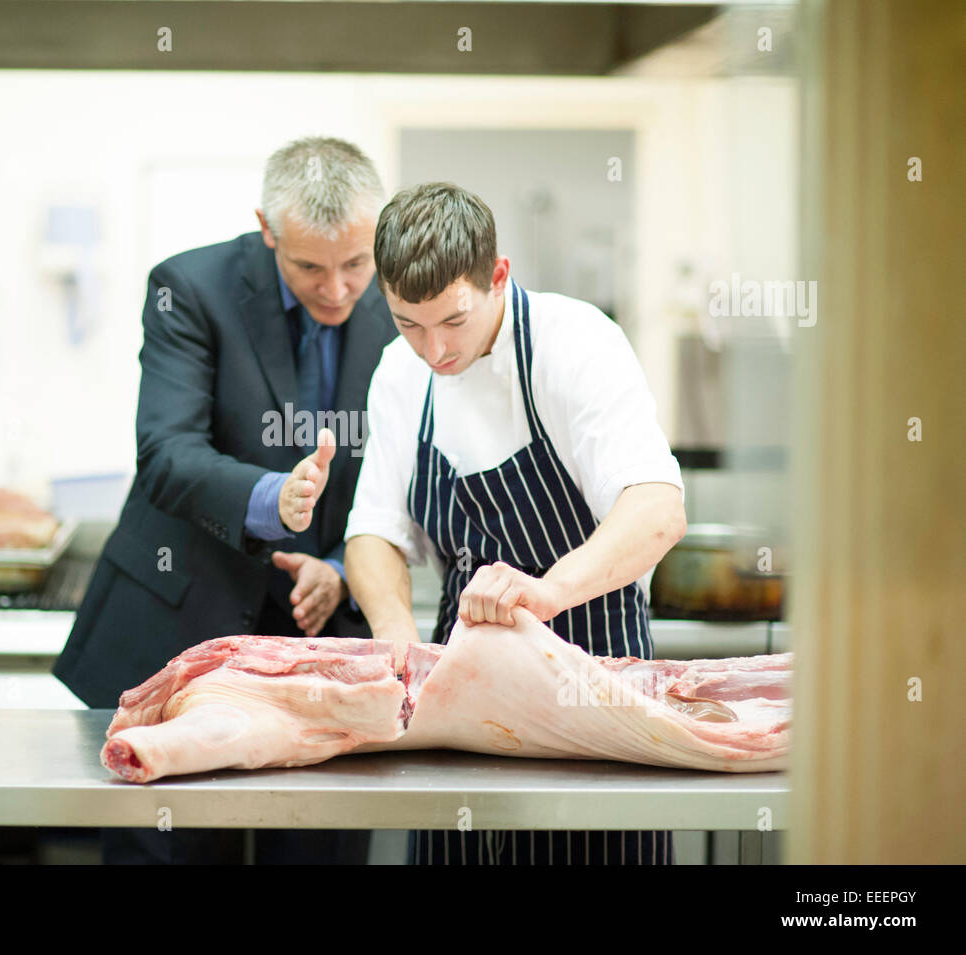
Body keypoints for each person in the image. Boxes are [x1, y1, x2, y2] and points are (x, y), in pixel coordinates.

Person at [53, 137, 396, 864]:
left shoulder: (401, 301)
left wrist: (338, 563)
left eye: (355, 264)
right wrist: (276, 498)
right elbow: (166, 455)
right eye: (309, 266)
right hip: (182, 619)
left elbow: (405, 469)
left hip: (321, 642)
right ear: (267, 229)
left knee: (318, 853)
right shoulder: (190, 287)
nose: (336, 289)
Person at [344, 182, 688, 865]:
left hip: (592, 681)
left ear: (498, 275)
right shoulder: (398, 373)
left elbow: (657, 509)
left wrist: (547, 591)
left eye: (453, 320)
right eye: (408, 323)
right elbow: (373, 532)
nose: (434, 349)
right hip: (458, 695)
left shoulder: (575, 341)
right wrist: (397, 643)